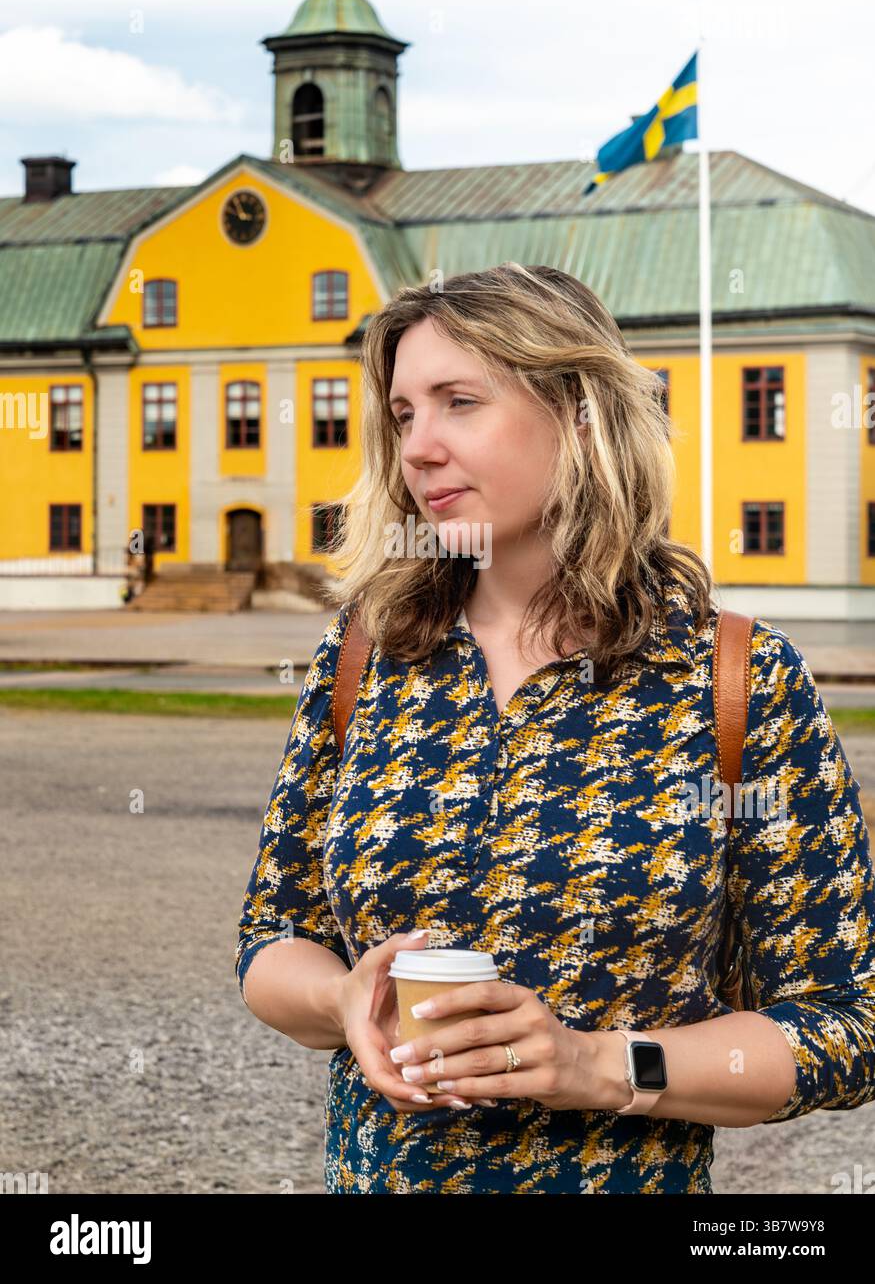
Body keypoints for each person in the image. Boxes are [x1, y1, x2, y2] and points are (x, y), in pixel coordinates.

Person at [235, 262, 875, 1194]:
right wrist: (342, 997)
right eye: (405, 414)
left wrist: (592, 1066)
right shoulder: (365, 654)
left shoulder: (736, 680)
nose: (418, 447)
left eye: (460, 401)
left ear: (581, 413)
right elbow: (271, 937)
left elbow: (843, 1027)